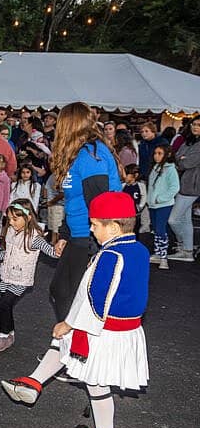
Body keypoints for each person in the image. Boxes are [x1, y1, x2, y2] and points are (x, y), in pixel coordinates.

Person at [1, 192, 149, 428]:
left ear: (113, 226)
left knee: (87, 371)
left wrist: (70, 323)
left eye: (95, 225)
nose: (91, 230)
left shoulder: (110, 255)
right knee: (89, 374)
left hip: (101, 330)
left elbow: (96, 297)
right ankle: (35, 383)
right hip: (124, 330)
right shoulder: (139, 250)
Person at [48, 102, 123, 324]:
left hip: (91, 238)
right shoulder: (79, 154)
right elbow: (74, 201)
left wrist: (96, 250)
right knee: (62, 292)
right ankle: (71, 345)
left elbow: (100, 205)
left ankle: (76, 348)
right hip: (78, 233)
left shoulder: (91, 155)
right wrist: (64, 234)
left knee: (69, 294)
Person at [0, 199, 59, 352]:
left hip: (21, 278)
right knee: (6, 305)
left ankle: (3, 336)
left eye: (15, 219)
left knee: (4, 304)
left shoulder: (35, 238)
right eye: (9, 219)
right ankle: (10, 334)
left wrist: (61, 248)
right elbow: (7, 254)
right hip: (8, 275)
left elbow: (52, 252)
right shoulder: (11, 233)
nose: (11, 222)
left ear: (27, 218)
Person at [168, 115, 200, 262]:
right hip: (184, 184)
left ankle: (184, 246)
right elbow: (176, 156)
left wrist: (182, 159)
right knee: (186, 220)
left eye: (199, 125)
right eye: (194, 124)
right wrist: (181, 159)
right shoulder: (189, 141)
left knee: (173, 220)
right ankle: (186, 250)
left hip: (192, 186)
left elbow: (187, 163)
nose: (195, 127)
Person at [146, 145, 179, 270]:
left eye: (160, 153)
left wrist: (160, 198)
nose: (156, 156)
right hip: (153, 205)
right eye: (155, 153)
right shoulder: (155, 168)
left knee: (161, 230)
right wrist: (150, 200)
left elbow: (175, 188)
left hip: (163, 205)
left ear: (168, 154)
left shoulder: (171, 169)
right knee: (155, 229)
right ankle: (158, 254)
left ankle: (164, 258)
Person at [121, 164, 147, 235]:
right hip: (124, 213)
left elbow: (144, 197)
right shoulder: (123, 186)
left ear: (135, 175)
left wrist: (140, 206)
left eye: (127, 174)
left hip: (135, 214)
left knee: (135, 231)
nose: (124, 176)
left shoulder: (141, 186)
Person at [44, 172, 65, 245]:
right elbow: (46, 190)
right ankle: (53, 243)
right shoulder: (52, 175)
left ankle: (56, 244)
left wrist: (51, 202)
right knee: (53, 227)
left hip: (58, 205)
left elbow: (62, 193)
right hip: (51, 204)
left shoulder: (62, 176)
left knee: (57, 227)